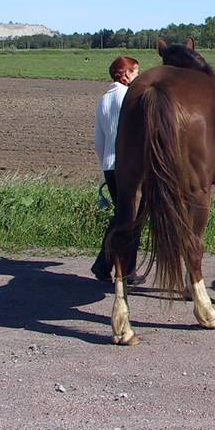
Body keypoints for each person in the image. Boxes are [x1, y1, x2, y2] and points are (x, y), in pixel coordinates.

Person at [90, 56, 139, 282]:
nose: (138, 76)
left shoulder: (103, 100)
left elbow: (99, 140)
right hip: (128, 165)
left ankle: (103, 264)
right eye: (136, 72)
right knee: (132, 218)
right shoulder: (129, 97)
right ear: (126, 74)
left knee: (121, 216)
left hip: (110, 165)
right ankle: (127, 270)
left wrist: (105, 166)